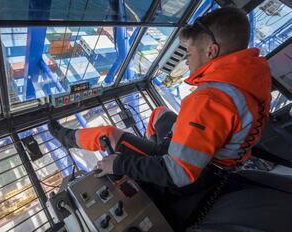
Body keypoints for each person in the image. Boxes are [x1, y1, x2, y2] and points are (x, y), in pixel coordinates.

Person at [48, 7, 272, 230]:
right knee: (159, 114)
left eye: (189, 54)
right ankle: (157, 149)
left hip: (196, 174)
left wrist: (117, 162)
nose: (186, 62)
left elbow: (179, 173)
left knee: (108, 134)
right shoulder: (250, 78)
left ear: (212, 51)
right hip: (216, 155)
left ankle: (65, 137)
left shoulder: (209, 99)